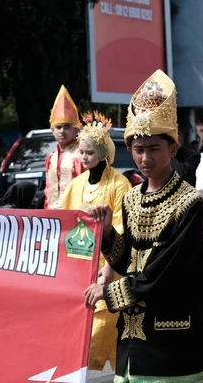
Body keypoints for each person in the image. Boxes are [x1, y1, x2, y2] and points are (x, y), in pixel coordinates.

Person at [84, 70, 203, 381]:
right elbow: (128, 259)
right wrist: (106, 233)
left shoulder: (190, 202)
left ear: (172, 149)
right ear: (129, 150)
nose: (146, 157)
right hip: (134, 336)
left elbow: (165, 272)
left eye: (154, 148)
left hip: (176, 339)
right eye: (138, 149)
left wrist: (109, 292)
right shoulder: (131, 198)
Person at [62, 111, 132, 372]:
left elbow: (122, 230)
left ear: (103, 153)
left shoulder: (119, 184)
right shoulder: (76, 185)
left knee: (111, 329)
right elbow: (67, 225)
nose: (83, 157)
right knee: (82, 332)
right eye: (81, 152)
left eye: (89, 152)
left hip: (110, 269)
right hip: (83, 267)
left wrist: (109, 270)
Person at [44, 85, 84, 209]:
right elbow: (47, 191)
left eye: (67, 127)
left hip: (74, 214)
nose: (62, 131)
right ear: (52, 130)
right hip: (52, 217)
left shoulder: (81, 153)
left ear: (76, 130)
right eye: (58, 127)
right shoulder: (51, 157)